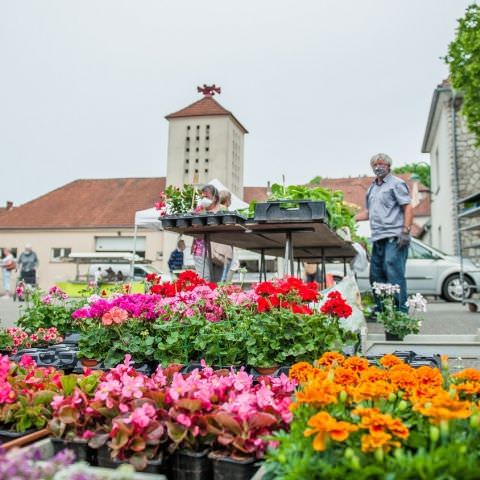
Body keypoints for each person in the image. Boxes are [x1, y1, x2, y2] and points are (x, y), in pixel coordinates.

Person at [360, 153, 413, 312]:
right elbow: (368, 213)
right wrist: (349, 218)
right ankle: (380, 309)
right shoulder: (371, 189)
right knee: (375, 275)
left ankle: (401, 311)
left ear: (389, 166)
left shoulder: (396, 184)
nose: (378, 167)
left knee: (393, 271)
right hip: (378, 237)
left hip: (395, 236)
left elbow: (408, 207)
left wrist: (406, 230)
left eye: (381, 164)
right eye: (375, 164)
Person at [191, 184, 223, 281]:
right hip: (201, 249)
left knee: (216, 280)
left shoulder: (221, 211)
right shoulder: (199, 210)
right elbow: (193, 227)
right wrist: (197, 213)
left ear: (215, 198)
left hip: (217, 251)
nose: (204, 199)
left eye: (207, 197)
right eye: (203, 197)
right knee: (205, 278)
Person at [218, 190, 234, 282]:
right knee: (223, 278)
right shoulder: (224, 210)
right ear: (227, 200)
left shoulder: (216, 209)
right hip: (224, 247)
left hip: (218, 248)